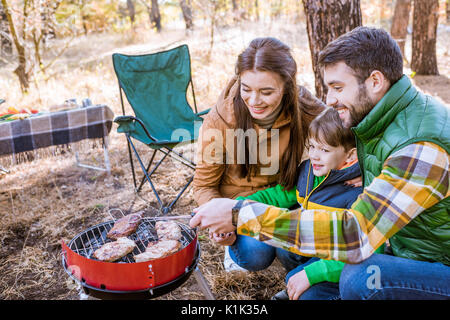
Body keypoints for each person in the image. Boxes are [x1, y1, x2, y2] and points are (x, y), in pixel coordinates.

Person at [190, 26, 450, 300]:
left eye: (338, 88)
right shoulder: (379, 115)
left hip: (434, 263)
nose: (329, 100)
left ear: (375, 81)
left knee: (361, 278)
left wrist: (239, 214)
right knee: (304, 280)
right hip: (396, 247)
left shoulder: (422, 146)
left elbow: (355, 235)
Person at [220, 107, 384, 300]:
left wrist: (313, 273)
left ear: (350, 155)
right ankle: (300, 277)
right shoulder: (310, 172)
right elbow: (276, 196)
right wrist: (234, 207)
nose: (314, 155)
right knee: (284, 247)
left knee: (307, 293)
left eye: (324, 150)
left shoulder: (359, 191)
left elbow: (365, 251)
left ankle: (319, 288)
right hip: (317, 248)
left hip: (343, 261)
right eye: (312, 146)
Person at [193, 37, 326, 271]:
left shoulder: (302, 105)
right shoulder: (220, 119)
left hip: (284, 197)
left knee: (292, 247)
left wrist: (355, 164)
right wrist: (224, 222)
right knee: (256, 254)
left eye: (266, 92)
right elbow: (204, 186)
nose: (254, 101)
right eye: (246, 89)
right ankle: (239, 247)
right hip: (238, 205)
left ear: (287, 87)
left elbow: (342, 130)